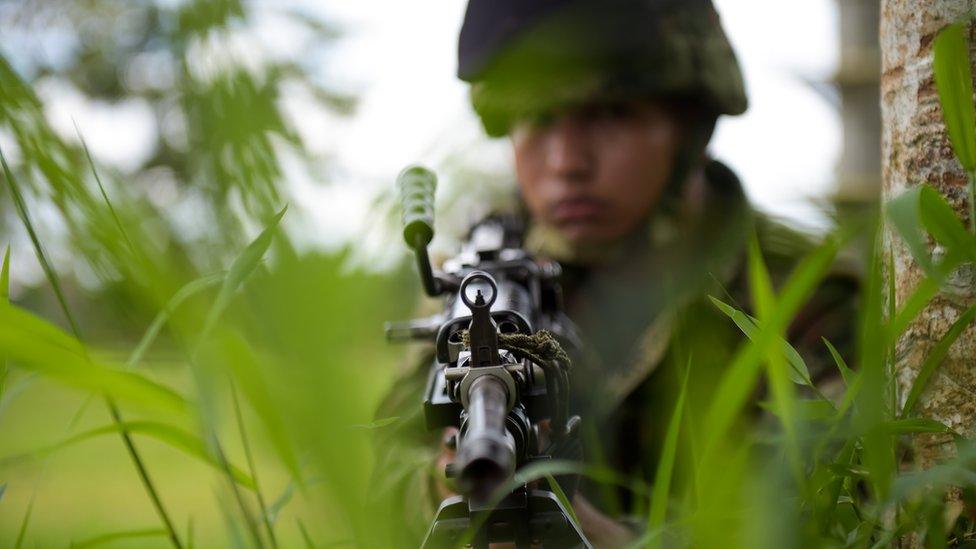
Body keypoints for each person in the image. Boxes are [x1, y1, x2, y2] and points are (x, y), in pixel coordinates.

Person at [370, 0, 858, 546]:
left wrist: (608, 540)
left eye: (609, 114)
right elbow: (377, 471)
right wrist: (442, 487)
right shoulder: (478, 279)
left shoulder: (807, 295)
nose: (565, 163)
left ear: (690, 124)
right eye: (538, 118)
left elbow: (827, 512)